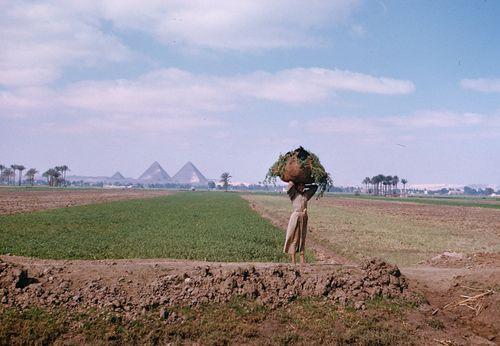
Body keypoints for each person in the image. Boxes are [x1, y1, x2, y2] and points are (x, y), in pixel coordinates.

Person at [284, 181, 318, 264]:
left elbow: (315, 187)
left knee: (302, 238)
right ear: (296, 186)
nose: (301, 187)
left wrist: (306, 184)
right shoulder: (293, 194)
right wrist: (295, 183)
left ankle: (302, 260)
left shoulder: (306, 195)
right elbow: (289, 186)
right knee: (294, 238)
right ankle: (293, 260)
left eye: (303, 186)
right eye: (300, 185)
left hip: (304, 217)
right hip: (296, 217)